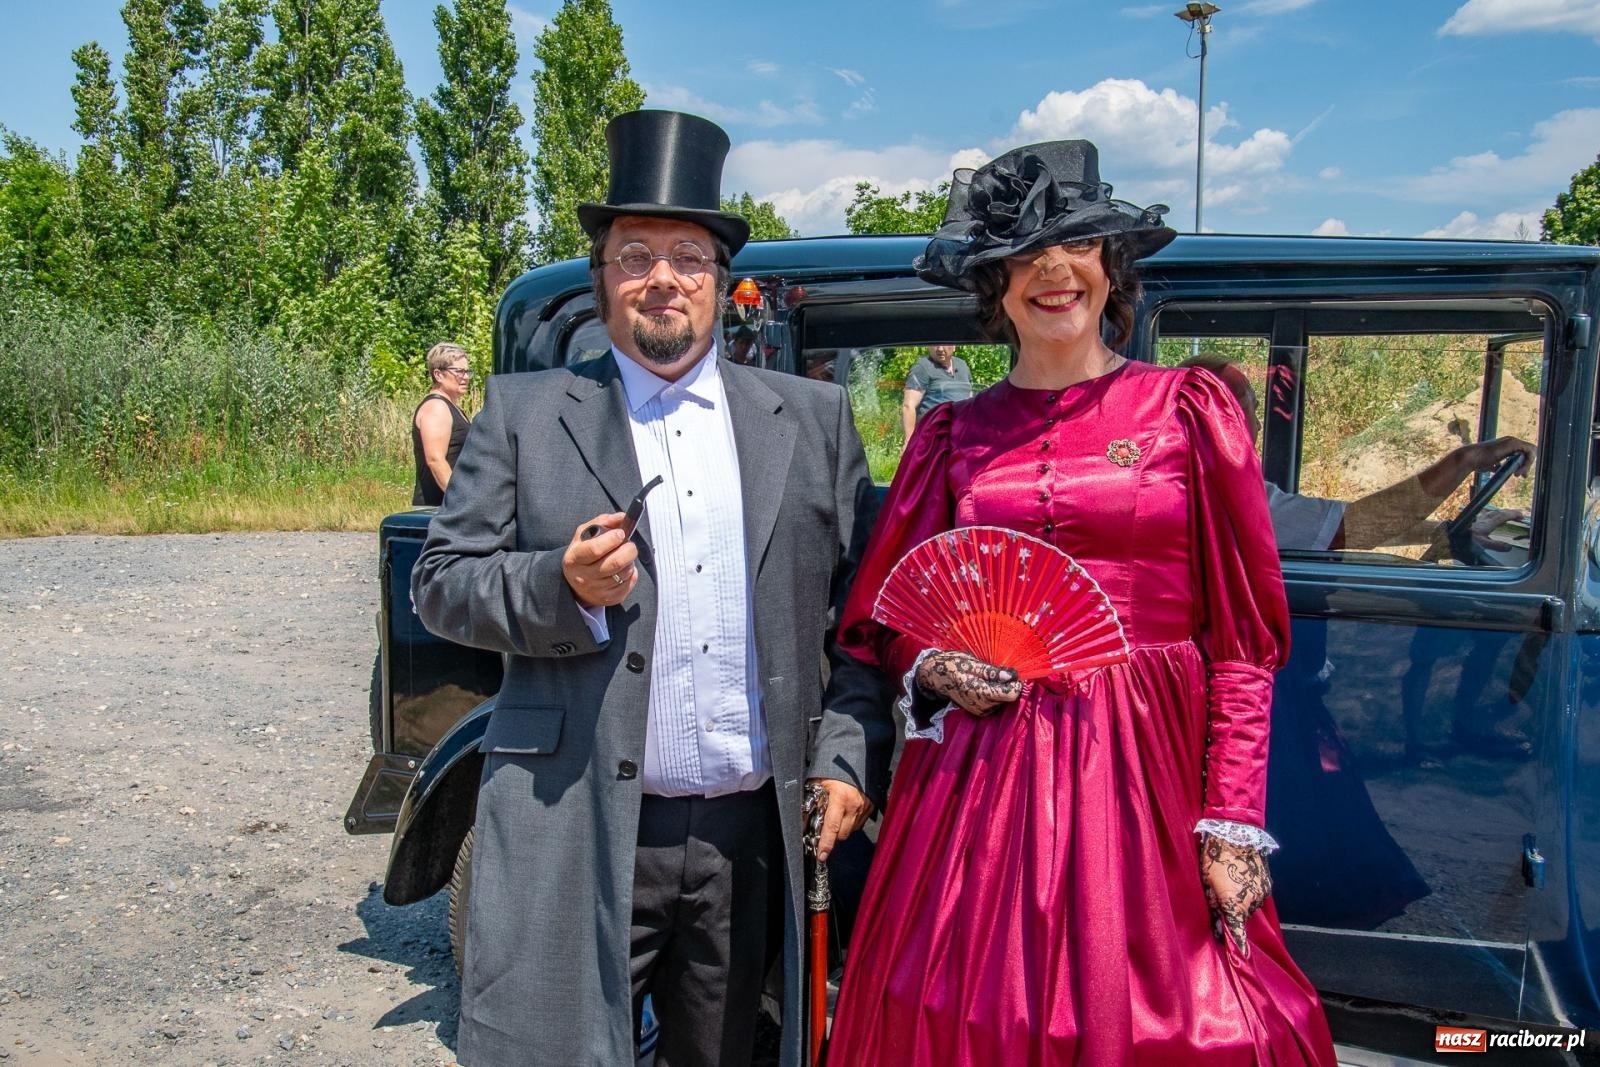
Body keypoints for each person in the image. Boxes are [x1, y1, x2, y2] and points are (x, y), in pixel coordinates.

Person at [826, 139, 1337, 1064]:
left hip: (1145, 774)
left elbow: (1241, 643)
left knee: (1181, 1020)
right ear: (995, 285)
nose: (1055, 271)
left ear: (1114, 267)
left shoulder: (1186, 412)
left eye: (1080, 247)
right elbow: (889, 620)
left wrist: (1231, 820)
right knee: (956, 1007)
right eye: (1026, 255)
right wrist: (933, 664)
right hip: (980, 783)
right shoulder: (951, 435)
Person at [411, 109, 891, 1067]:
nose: (662, 277)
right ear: (603, 283)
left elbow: (860, 622)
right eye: (635, 256)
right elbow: (442, 582)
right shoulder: (523, 413)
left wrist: (845, 754)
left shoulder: (811, 419)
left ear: (719, 283)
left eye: (686, 255)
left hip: (746, 835)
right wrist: (561, 584)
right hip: (576, 819)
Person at [1179, 354, 1533, 553]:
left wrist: (1443, 531)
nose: (1257, 425)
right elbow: (1355, 528)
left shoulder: (1197, 483)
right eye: (1253, 411)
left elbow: (1324, 529)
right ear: (1224, 423)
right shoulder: (1220, 496)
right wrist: (1464, 460)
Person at [411, 342, 473, 506]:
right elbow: (435, 460)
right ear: (438, 375)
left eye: (467, 371)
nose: (465, 377)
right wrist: (461, 500)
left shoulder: (452, 407)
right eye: (459, 372)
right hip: (436, 510)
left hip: (448, 507)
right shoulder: (436, 407)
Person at [900, 343, 972, 447]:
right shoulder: (922, 368)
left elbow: (970, 398)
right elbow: (908, 406)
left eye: (945, 344)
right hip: (933, 440)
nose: (940, 349)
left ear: (955, 345)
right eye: (935, 344)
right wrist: (909, 443)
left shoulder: (962, 366)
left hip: (961, 437)